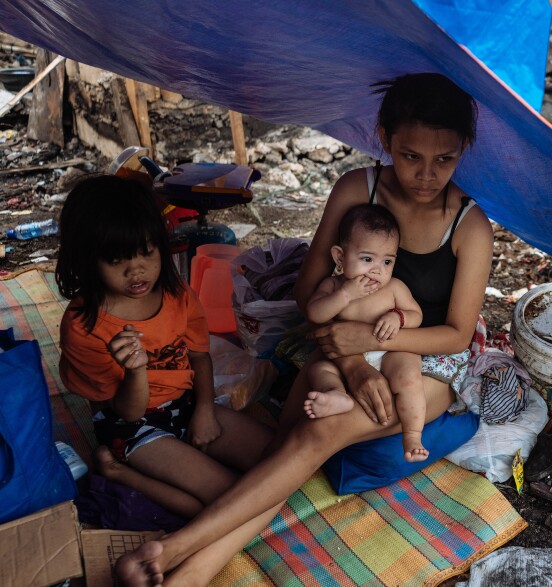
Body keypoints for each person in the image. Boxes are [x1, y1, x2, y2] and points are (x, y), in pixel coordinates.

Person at [116, 72, 494, 587]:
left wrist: (370, 345)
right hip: (337, 342)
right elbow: (307, 290)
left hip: (422, 363)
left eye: (444, 159)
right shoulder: (356, 189)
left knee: (313, 435)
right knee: (287, 452)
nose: (426, 175)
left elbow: (454, 334)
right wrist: (354, 361)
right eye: (410, 156)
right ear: (384, 139)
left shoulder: (469, 226)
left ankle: (175, 552)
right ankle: (189, 568)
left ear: (464, 149)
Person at [56, 175, 272, 519]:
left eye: (147, 252)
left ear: (160, 243)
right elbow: (127, 412)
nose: (137, 270)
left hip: (184, 403)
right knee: (228, 496)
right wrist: (135, 371)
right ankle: (119, 471)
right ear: (87, 259)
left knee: (274, 460)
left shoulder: (177, 294)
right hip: (130, 425)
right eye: (116, 261)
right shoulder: (84, 325)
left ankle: (158, 460)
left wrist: (203, 410)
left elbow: (199, 356)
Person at [303, 203, 430, 462]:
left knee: (409, 378)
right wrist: (345, 294)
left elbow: (417, 315)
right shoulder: (334, 285)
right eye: (367, 259)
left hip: (390, 351)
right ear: (340, 258)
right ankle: (337, 396)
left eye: (387, 261)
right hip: (349, 356)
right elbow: (314, 313)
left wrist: (398, 316)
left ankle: (413, 434)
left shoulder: (394, 287)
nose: (377, 270)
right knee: (319, 370)